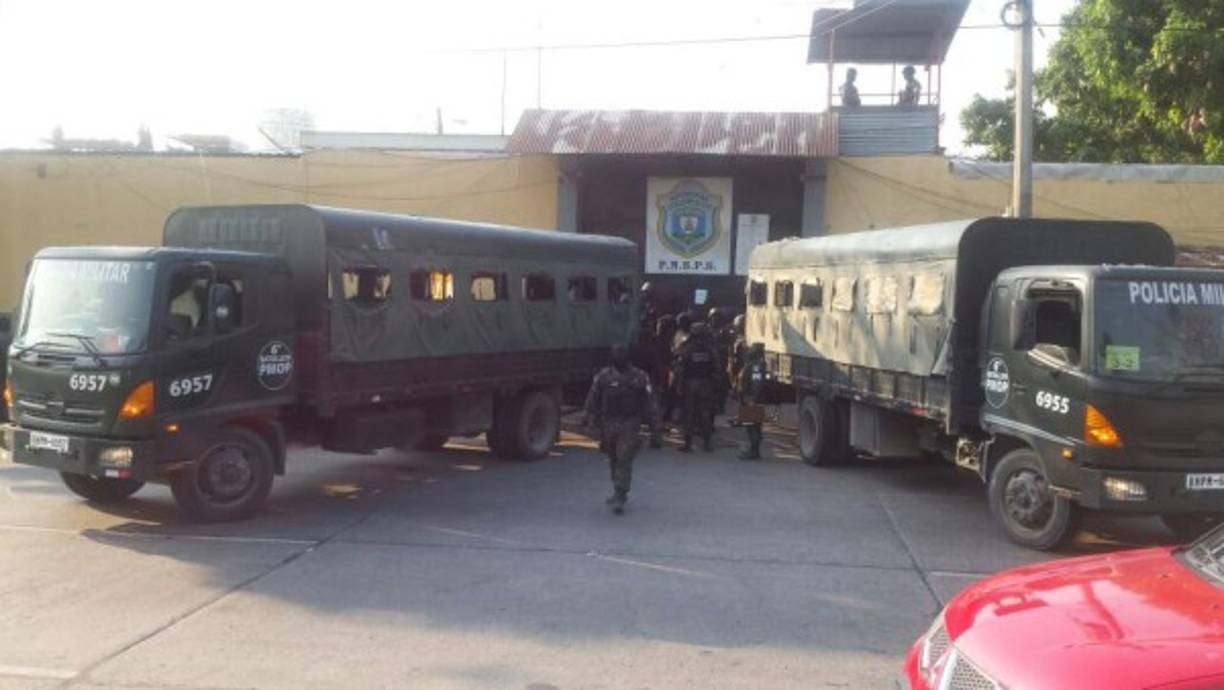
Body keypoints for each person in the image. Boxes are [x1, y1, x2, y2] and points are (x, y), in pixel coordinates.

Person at [582, 344, 660, 514]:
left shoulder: (640, 376)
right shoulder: (603, 376)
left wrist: (655, 426)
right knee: (613, 456)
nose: (618, 357)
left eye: (621, 354)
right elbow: (593, 396)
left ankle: (620, 493)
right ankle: (617, 487)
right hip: (608, 422)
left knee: (624, 456)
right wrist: (587, 416)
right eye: (616, 354)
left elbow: (649, 401)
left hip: (630, 422)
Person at [673, 321, 722, 453]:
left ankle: (688, 444)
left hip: (690, 384)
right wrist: (716, 385)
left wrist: (678, 385)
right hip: (706, 384)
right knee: (705, 414)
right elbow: (717, 368)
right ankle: (707, 444)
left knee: (688, 414)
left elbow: (680, 367)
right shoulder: (710, 349)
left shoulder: (686, 348)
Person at [735, 343, 768, 460]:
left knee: (753, 426)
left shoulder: (756, 366)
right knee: (752, 425)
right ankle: (753, 450)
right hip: (749, 398)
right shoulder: (753, 364)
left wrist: (752, 399)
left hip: (752, 399)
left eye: (752, 349)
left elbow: (756, 384)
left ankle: (754, 451)